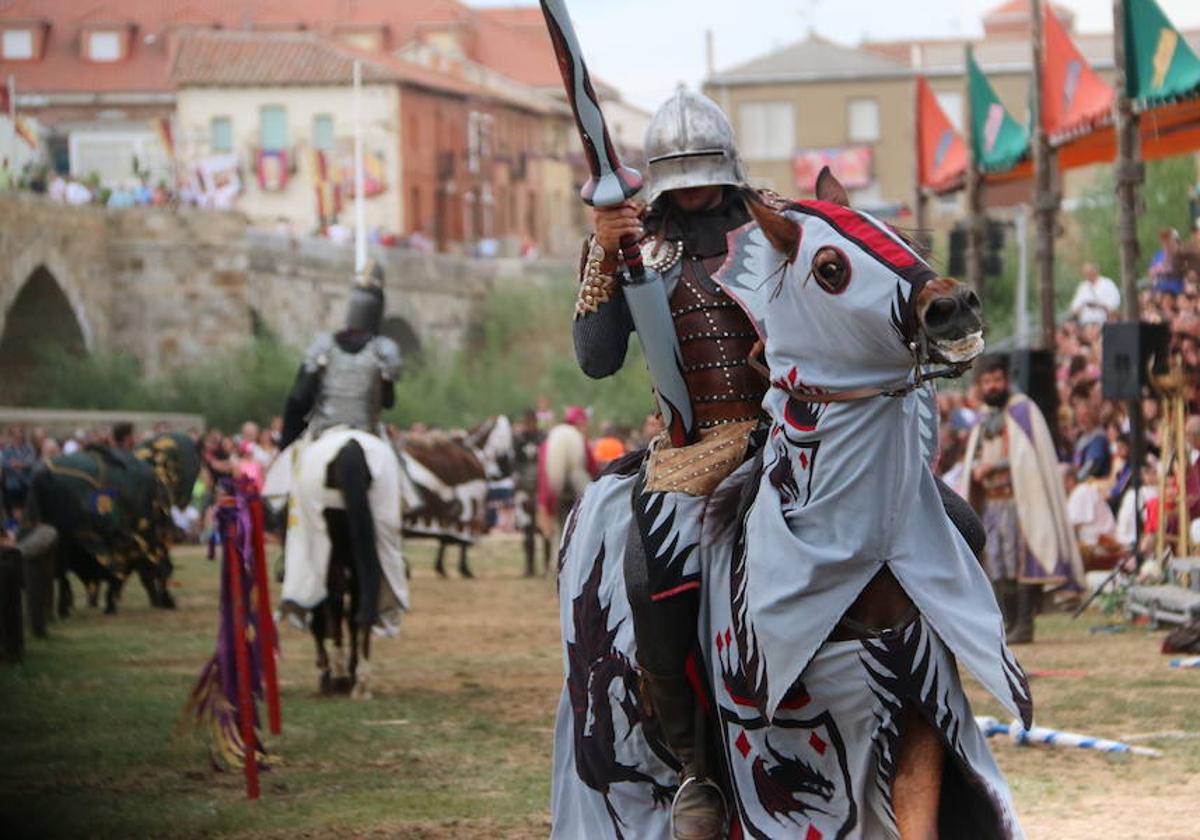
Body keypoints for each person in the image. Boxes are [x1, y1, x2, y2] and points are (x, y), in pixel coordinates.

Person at [960, 355, 1084, 643]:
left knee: (1021, 559)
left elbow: (1026, 457)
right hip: (991, 501)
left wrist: (996, 466)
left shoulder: (1023, 411)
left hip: (1021, 501)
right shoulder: (983, 417)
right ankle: (1010, 621)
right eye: (987, 381)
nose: (992, 386)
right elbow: (977, 454)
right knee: (998, 561)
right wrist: (978, 468)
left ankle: (1025, 624)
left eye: (997, 380)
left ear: (1006, 380)